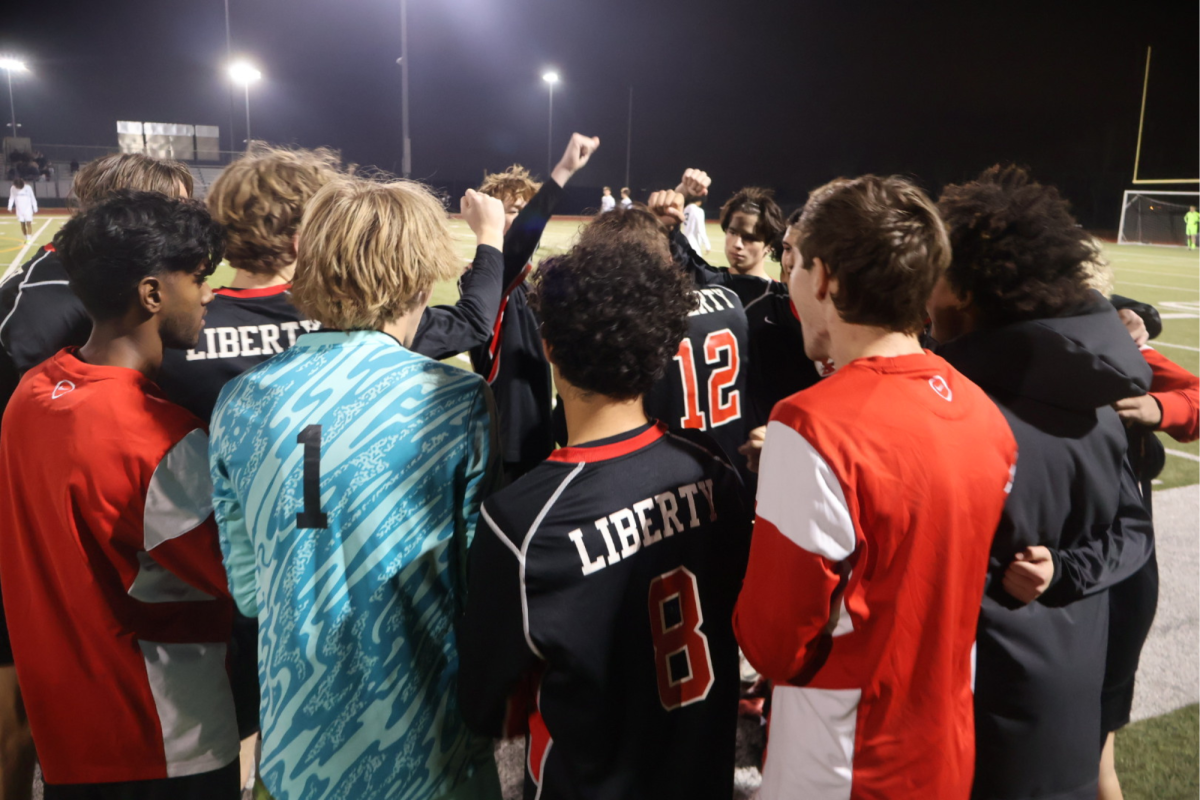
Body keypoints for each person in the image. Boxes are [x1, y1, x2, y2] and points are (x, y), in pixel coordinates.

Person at [209, 175, 506, 800]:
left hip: (294, 752)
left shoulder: (236, 403)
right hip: (428, 751)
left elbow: (249, 595)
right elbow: (481, 591)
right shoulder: (455, 402)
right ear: (421, 278)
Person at [733, 175, 1019, 800]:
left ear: (826, 278)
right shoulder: (981, 411)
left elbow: (776, 643)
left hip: (846, 763)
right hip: (944, 748)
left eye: (797, 265)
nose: (790, 284)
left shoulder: (812, 425)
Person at [457, 235, 753, 800]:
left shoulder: (524, 522)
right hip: (702, 775)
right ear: (663, 345)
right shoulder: (715, 471)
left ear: (548, 347)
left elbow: (488, 707)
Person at [0, 191, 240, 799]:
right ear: (152, 293)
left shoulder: (31, 392)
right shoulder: (157, 435)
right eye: (198, 276)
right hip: (158, 739)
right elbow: (245, 579)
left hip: (67, 739)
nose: (209, 293)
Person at [929, 165, 1155, 800]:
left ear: (969, 288)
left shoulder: (957, 405)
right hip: (1071, 697)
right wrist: (1065, 571)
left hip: (985, 711)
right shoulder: (1094, 396)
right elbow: (1135, 535)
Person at [471, 133, 599, 481]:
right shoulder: (482, 282)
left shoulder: (525, 286)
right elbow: (515, 247)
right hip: (505, 448)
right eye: (511, 212)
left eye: (522, 211)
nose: (521, 219)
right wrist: (562, 171)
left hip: (538, 439)